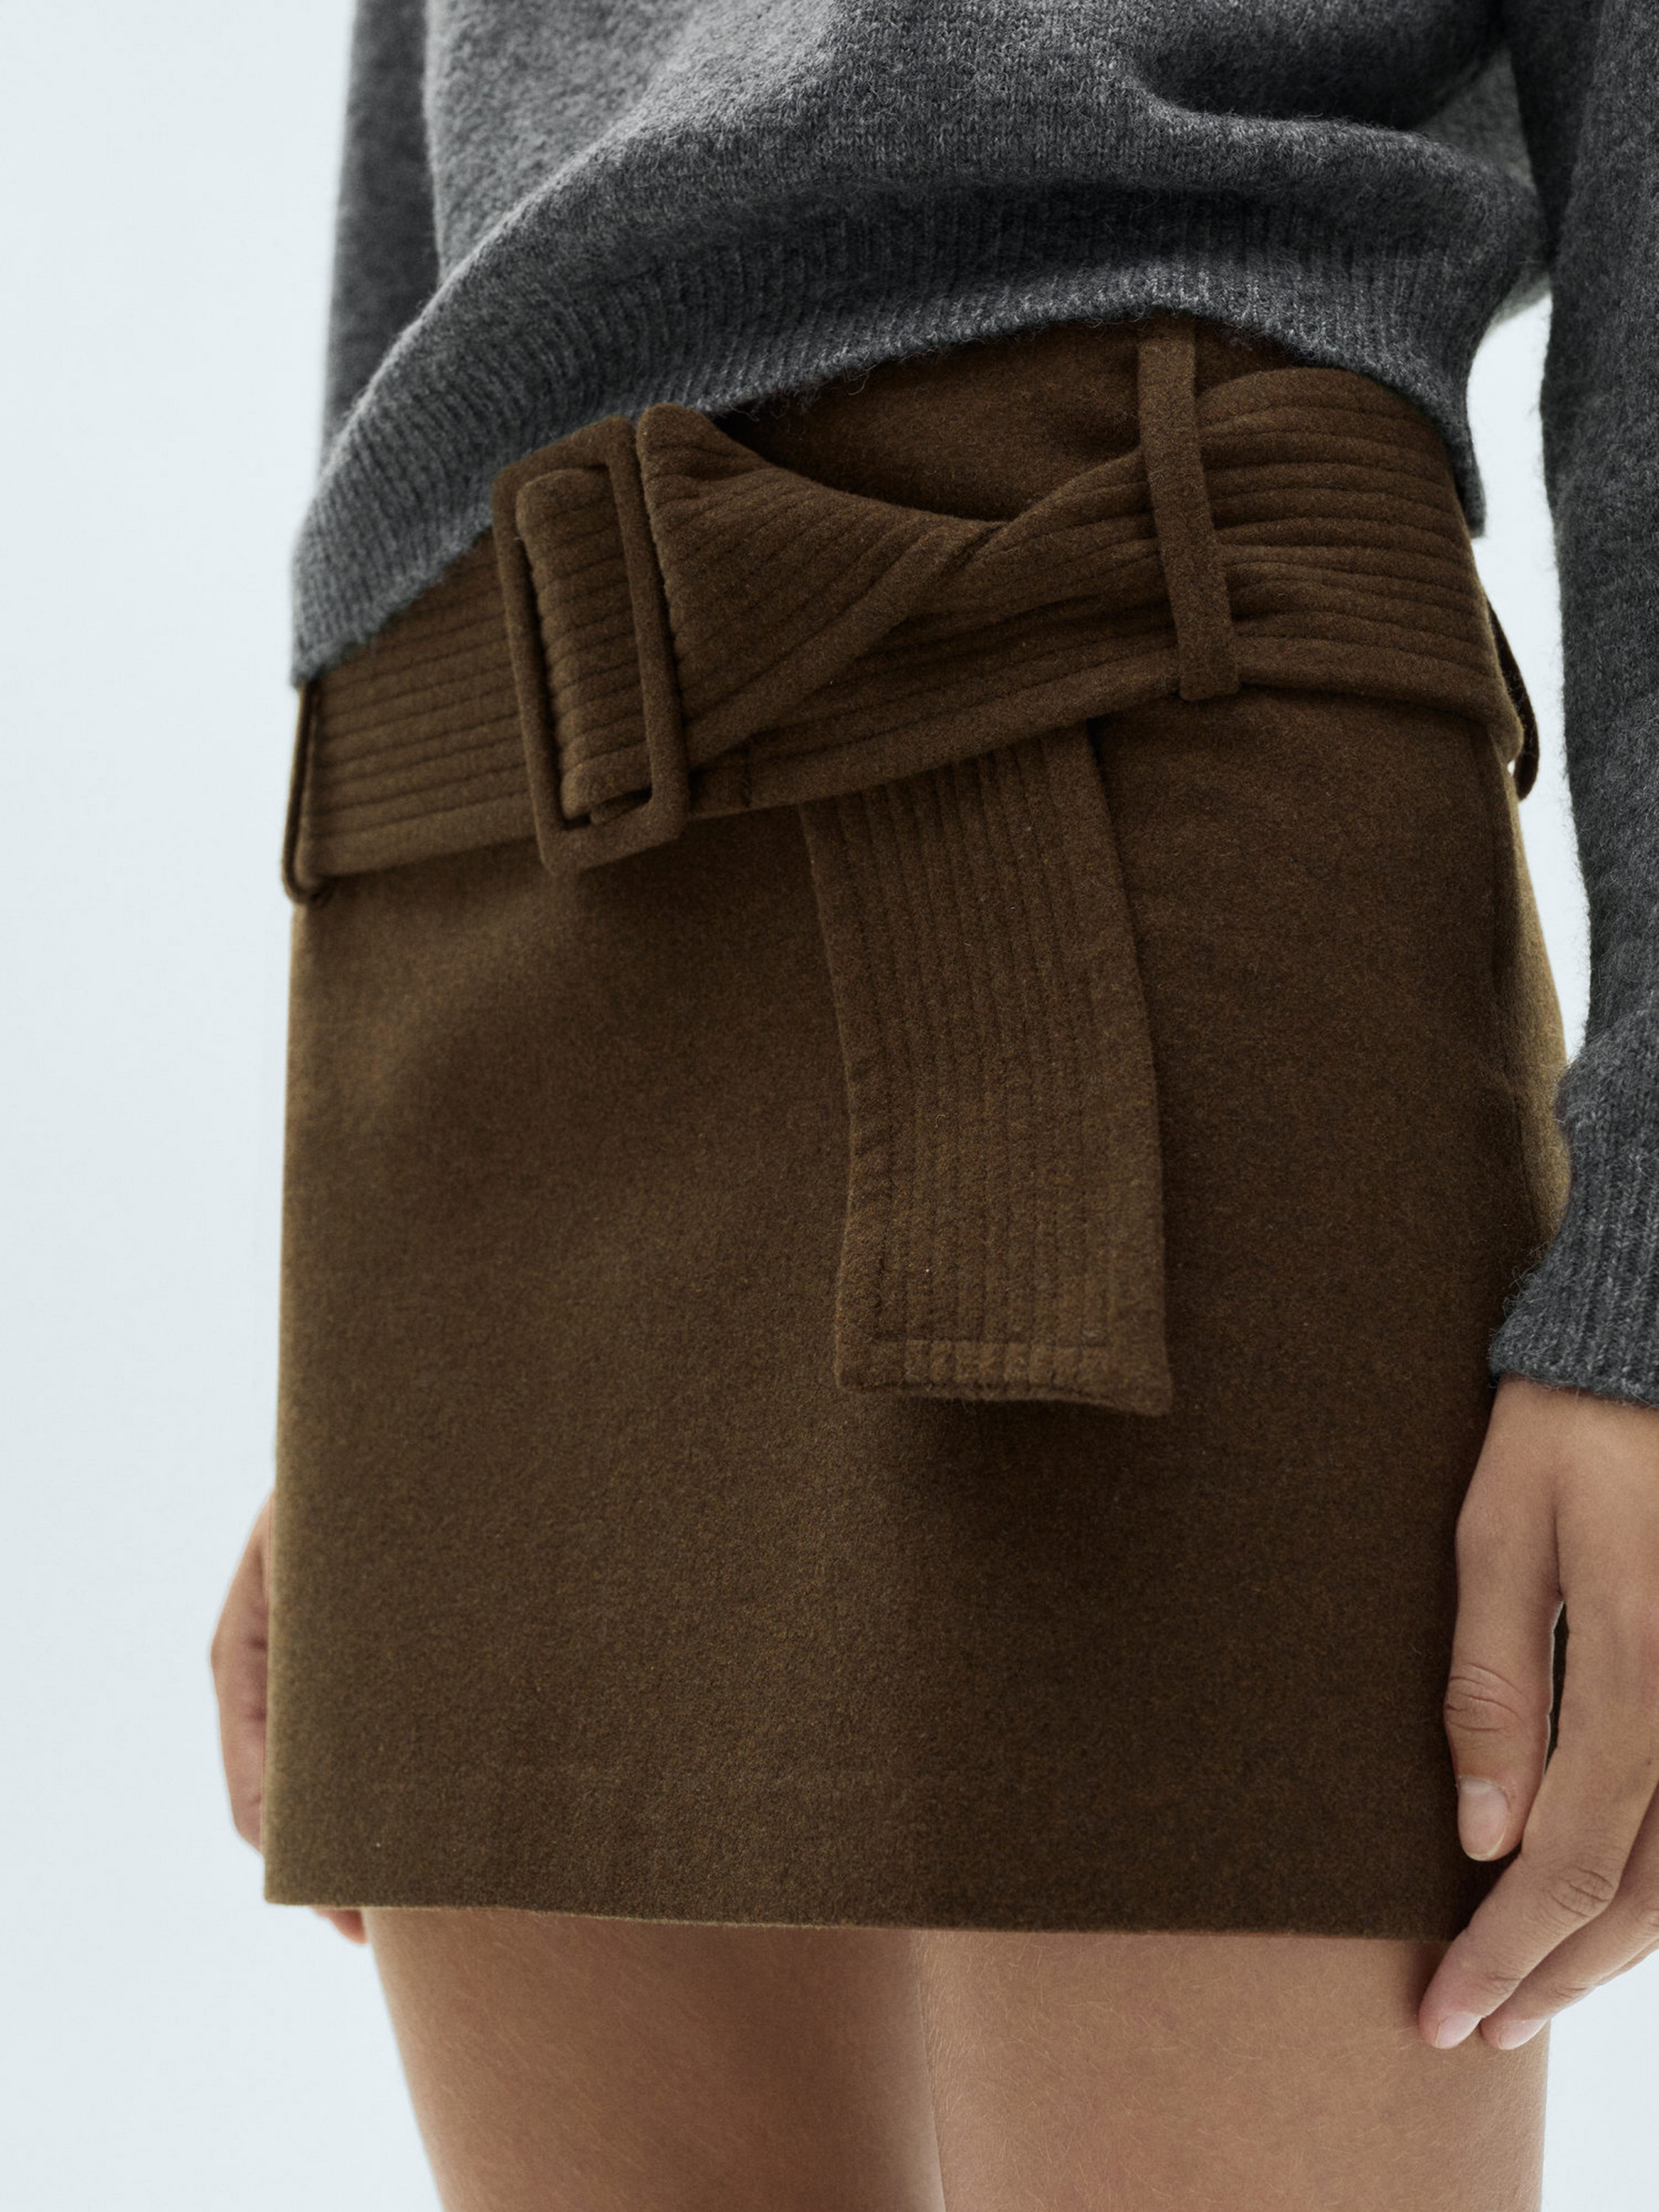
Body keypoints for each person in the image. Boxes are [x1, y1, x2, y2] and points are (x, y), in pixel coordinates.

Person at [212, 5, 1659, 2206]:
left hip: (1122, 766)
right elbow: (429, 228)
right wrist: (347, 1366)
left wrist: (1644, 1282)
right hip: (486, 875)